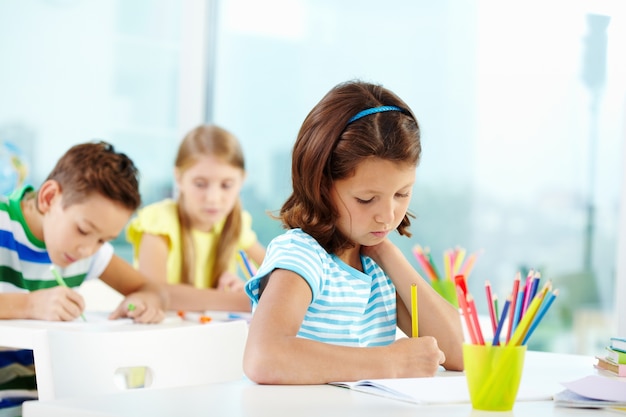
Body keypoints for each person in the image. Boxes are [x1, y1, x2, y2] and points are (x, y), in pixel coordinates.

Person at [243, 80, 465, 385]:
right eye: (366, 199)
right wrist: (391, 362)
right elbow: (264, 357)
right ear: (321, 187)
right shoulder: (302, 256)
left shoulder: (377, 269)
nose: (387, 216)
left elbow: (459, 351)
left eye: (402, 194)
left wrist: (387, 253)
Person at [0, 141, 167, 323]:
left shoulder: (87, 250)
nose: (88, 251)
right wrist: (29, 305)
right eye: (83, 230)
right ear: (49, 198)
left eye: (103, 240)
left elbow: (153, 289)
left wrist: (143, 301)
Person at [126, 124, 265, 312]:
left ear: (242, 180)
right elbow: (155, 293)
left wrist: (244, 288)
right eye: (200, 184)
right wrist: (240, 300)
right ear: (179, 178)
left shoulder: (236, 224)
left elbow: (281, 278)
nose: (213, 198)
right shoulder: (159, 221)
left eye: (226, 185)